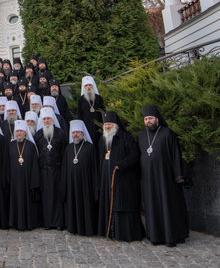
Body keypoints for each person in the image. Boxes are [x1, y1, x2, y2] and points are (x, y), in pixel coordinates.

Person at [138, 105, 189, 247]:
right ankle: (155, 236)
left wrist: (179, 174)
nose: (148, 121)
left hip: (166, 178)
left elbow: (176, 155)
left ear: (157, 119)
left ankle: (172, 236)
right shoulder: (142, 135)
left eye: (151, 118)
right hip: (148, 180)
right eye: (146, 119)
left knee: (168, 206)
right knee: (152, 207)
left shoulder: (168, 134)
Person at [97, 111, 144, 242]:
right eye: (105, 124)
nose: (106, 127)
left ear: (115, 125)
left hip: (123, 178)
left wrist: (121, 165)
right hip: (106, 177)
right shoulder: (102, 140)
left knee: (121, 204)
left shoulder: (125, 137)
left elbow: (134, 155)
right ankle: (109, 230)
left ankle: (123, 233)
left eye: (109, 124)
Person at [59, 120, 98, 236]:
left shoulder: (90, 147)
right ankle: (73, 227)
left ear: (83, 133)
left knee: (85, 206)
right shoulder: (69, 148)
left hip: (86, 184)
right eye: (73, 132)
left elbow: (94, 167)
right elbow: (65, 167)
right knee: (73, 205)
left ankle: (87, 229)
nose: (75, 134)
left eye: (78, 132)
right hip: (71, 184)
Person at [35, 107, 67, 229]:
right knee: (46, 197)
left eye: (49, 118)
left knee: (57, 196)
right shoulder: (38, 135)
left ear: (53, 119)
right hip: (43, 170)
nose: (47, 121)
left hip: (57, 170)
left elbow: (64, 152)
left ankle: (58, 223)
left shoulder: (61, 133)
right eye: (44, 119)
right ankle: (47, 222)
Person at [7, 120, 40, 231]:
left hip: (27, 180)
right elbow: (6, 164)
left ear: (25, 132)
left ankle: (27, 223)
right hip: (14, 180)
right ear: (15, 133)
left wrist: (34, 182)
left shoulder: (31, 146)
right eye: (18, 131)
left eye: (21, 131)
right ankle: (16, 223)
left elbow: (35, 164)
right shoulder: (11, 145)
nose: (19, 133)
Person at [77, 76, 105, 144]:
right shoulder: (81, 100)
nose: (88, 87)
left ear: (93, 86)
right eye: (86, 85)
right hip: (86, 127)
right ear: (84, 87)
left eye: (90, 85)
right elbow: (79, 115)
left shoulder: (98, 98)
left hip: (98, 128)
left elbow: (102, 112)